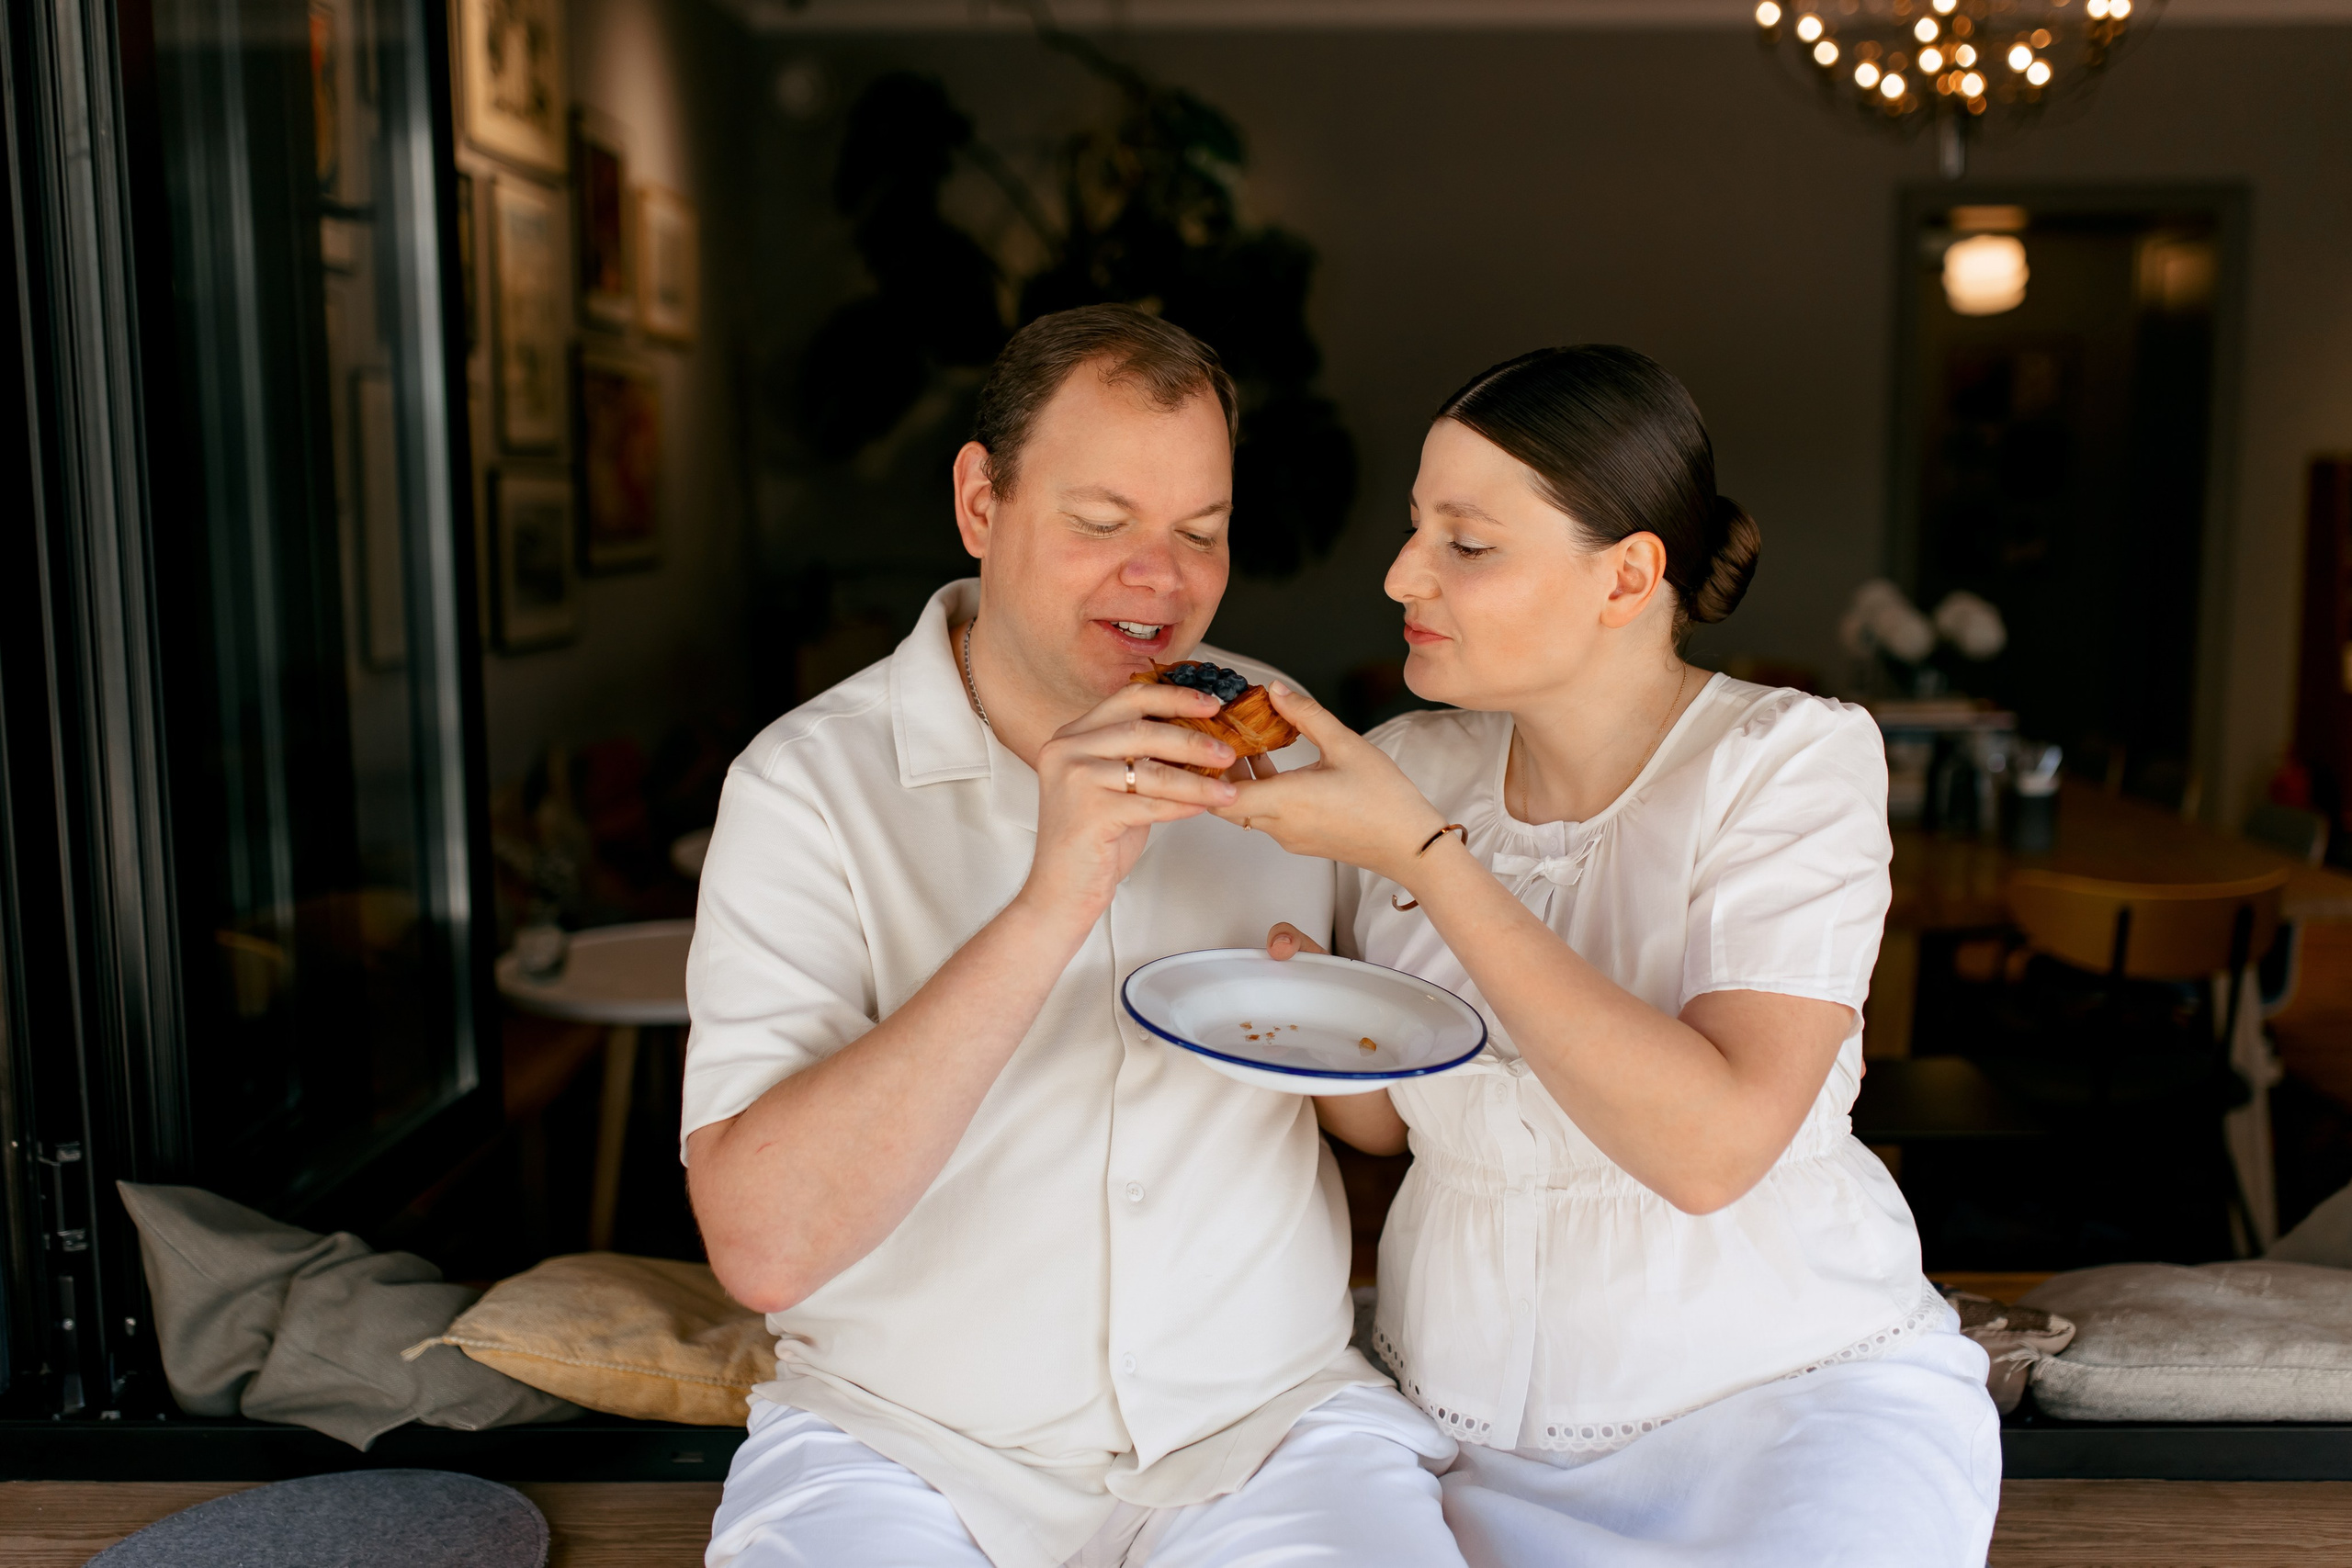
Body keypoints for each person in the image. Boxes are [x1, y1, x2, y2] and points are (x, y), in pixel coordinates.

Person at [679, 305, 1464, 1568]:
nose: (1159, 578)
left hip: (1267, 1435)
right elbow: (763, 1247)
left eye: (1198, 534)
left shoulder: (1285, 751)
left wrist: (1347, 1015)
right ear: (980, 504)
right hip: (901, 1447)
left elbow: (1384, 1121)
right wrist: (1052, 902)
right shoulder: (804, 787)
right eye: (1102, 525)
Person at [1222, 345, 2001, 1567]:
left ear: (1629, 575)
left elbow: (1711, 1150)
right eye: (1414, 527)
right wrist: (1300, 1012)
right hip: (1459, 1424)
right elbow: (1390, 1127)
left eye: (1466, 544)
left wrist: (1430, 860)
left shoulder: (1786, 761)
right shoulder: (1415, 766)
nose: (1401, 574)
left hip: (1780, 1408)